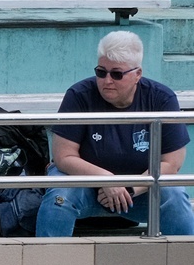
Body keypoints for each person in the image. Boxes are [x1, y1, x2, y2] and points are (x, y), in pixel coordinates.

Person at [36, 30, 193, 237]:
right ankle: (47, 256)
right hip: (84, 184)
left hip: (138, 190)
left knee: (174, 195)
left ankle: (185, 256)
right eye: (101, 72)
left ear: (137, 74)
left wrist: (129, 187)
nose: (107, 80)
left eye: (117, 74)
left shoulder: (161, 98)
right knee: (60, 195)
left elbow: (171, 163)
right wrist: (106, 179)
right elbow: (63, 157)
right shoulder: (79, 95)